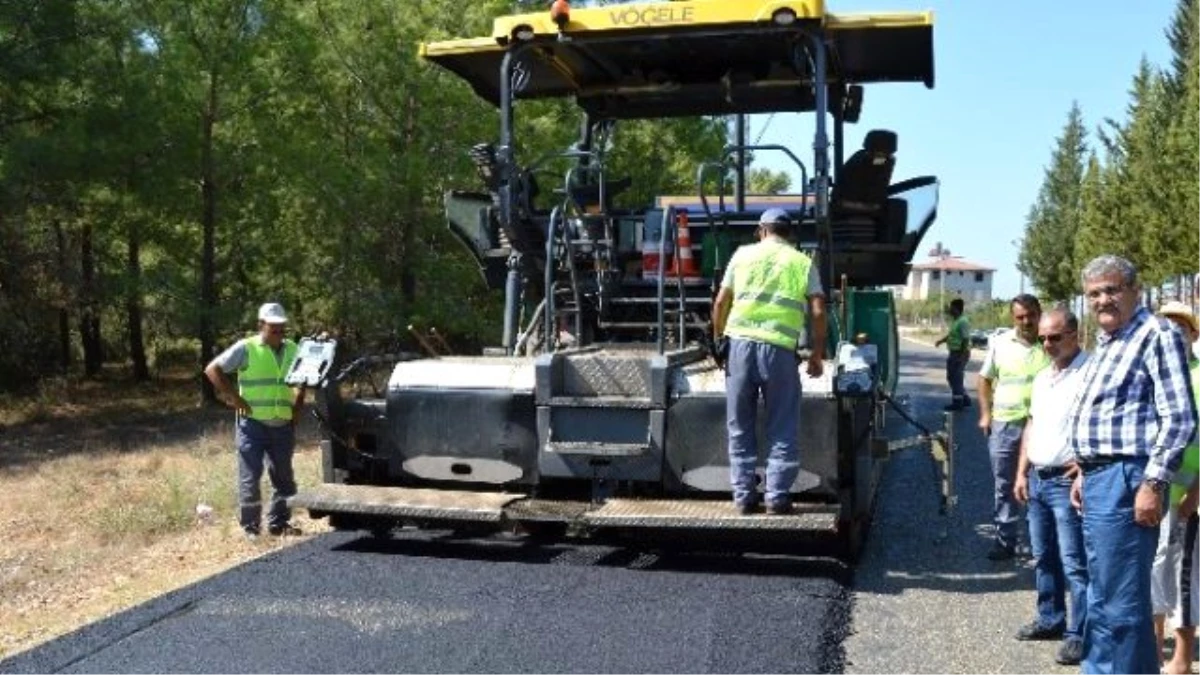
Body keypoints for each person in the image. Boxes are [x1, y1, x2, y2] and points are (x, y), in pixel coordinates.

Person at [1066, 255, 1197, 674]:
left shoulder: (1156, 333)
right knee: (1102, 598)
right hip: (1100, 479)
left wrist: (1153, 483)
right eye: (1094, 293)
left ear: (1135, 291)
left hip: (1127, 481)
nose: (1103, 299)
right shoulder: (1110, 342)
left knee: (1121, 604)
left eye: (1112, 289)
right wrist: (1086, 472)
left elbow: (1179, 418)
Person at [711, 208, 827, 516]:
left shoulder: (742, 255)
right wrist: (816, 354)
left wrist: (719, 340)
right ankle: (776, 497)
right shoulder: (803, 262)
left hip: (740, 348)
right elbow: (817, 310)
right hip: (779, 351)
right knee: (782, 426)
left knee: (739, 425)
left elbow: (721, 302)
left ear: (762, 230)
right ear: (788, 233)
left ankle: (743, 497)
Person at [1011, 307, 1089, 666]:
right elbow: (1032, 425)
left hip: (1066, 482)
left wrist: (1087, 465)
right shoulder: (1043, 377)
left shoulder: (1090, 373)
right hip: (1039, 479)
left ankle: (1079, 634)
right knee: (1044, 557)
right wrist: (1021, 472)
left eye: (1055, 337)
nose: (1047, 343)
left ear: (1075, 334)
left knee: (1075, 563)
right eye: (1043, 338)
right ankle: (1050, 618)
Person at [204, 302, 307, 540]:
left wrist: (298, 403)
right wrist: (235, 399)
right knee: (250, 477)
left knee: (284, 477)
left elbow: (302, 379)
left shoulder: (292, 348)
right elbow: (212, 370)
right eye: (274, 329)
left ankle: (279, 524)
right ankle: (250, 528)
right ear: (261, 325)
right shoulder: (247, 348)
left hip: (282, 424)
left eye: (282, 329)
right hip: (252, 425)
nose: (279, 334)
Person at [978, 294, 1050, 561]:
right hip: (1006, 424)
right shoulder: (1000, 344)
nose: (1026, 321)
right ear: (1013, 318)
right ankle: (1005, 542)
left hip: (1043, 425)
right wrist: (986, 414)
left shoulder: (1050, 341)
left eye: (1031, 315)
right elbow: (984, 379)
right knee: (1005, 484)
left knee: (1040, 484)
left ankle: (1039, 545)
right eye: (1020, 316)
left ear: (1039, 313)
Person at [1151, 300, 1200, 675]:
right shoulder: (1150, 375)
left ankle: (1181, 659)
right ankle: (1150, 651)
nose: (1174, 332)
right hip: (1152, 493)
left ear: (1193, 333)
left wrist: (1195, 495)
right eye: (1166, 325)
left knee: (1185, 576)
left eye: (1181, 326)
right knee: (1152, 572)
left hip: (1187, 497)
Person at [934, 297, 972, 411]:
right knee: (951, 377)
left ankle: (958, 403)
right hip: (953, 352)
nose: (950, 309)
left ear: (956, 308)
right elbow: (952, 336)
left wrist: (961, 356)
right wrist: (941, 341)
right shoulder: (956, 321)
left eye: (951, 307)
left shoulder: (963, 321)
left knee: (956, 378)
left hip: (960, 353)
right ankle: (964, 398)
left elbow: (965, 339)